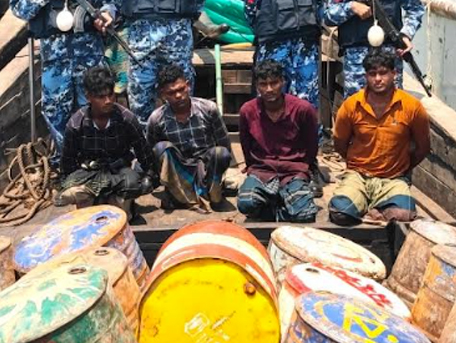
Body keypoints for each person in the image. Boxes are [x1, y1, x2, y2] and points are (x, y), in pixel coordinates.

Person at [9, 0, 116, 159]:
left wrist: (107, 16)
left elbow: (111, 0)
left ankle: (94, 162)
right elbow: (18, 8)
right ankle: (65, 165)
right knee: (55, 113)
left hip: (89, 54)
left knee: (94, 110)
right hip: (55, 57)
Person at [328, 49, 430, 224]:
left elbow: (423, 148)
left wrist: (402, 167)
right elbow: (340, 144)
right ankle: (372, 207)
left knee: (404, 214)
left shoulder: (412, 107)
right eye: (372, 74)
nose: (378, 79)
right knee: (340, 212)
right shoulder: (351, 105)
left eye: (383, 73)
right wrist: (356, 163)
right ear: (366, 76)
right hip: (358, 175)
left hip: (393, 178)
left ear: (394, 73)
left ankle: (373, 207)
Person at [56, 65, 156, 213]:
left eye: (111, 95)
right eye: (101, 97)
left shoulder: (127, 119)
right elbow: (67, 163)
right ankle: (95, 199)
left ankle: (106, 199)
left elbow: (144, 155)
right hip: (89, 172)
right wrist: (70, 181)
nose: (108, 101)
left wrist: (149, 177)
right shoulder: (76, 124)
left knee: (133, 184)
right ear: (88, 96)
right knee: (71, 188)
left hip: (119, 172)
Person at [237, 59, 320, 222]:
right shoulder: (248, 110)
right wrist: (252, 167)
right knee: (246, 204)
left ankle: (278, 207)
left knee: (306, 214)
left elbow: (312, 145)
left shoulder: (302, 109)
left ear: (283, 81)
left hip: (293, 171)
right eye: (263, 84)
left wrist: (305, 168)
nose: (269, 89)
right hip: (263, 171)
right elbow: (246, 145)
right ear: (257, 86)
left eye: (274, 83)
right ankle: (282, 205)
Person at [145, 64, 233, 213]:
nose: (178, 96)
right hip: (178, 169)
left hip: (204, 166)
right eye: (171, 93)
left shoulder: (208, 109)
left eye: (181, 89)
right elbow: (151, 153)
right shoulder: (157, 118)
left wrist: (219, 169)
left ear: (188, 85)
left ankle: (211, 190)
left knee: (221, 153)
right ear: (163, 94)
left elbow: (224, 143)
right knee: (161, 148)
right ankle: (181, 193)